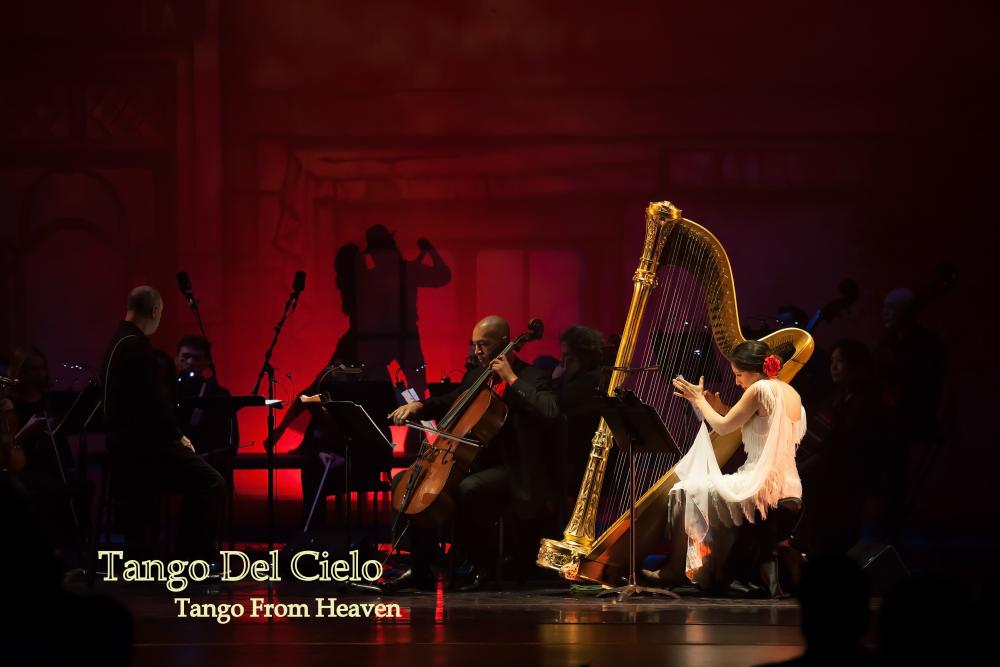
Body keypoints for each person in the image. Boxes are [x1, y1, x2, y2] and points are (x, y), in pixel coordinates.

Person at [388, 316, 559, 589]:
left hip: (511, 466)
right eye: (474, 344)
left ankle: (480, 566)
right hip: (469, 461)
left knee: (471, 488)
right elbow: (449, 401)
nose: (476, 351)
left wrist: (511, 379)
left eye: (483, 344)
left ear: (504, 343)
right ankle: (420, 567)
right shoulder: (476, 376)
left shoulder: (531, 376)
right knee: (405, 482)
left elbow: (551, 410)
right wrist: (419, 406)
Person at [643, 340, 806, 592]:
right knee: (699, 490)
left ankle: (676, 569)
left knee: (683, 491)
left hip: (761, 484)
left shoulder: (759, 388)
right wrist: (720, 408)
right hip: (790, 486)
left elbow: (723, 427)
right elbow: (755, 423)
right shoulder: (789, 392)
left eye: (739, 375)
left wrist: (699, 400)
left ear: (755, 371)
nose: (737, 382)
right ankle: (710, 568)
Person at [99, 286, 225, 562]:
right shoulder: (137, 347)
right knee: (211, 481)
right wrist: (179, 436)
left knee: (201, 480)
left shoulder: (118, 342)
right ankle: (191, 560)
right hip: (145, 451)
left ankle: (184, 556)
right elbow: (153, 405)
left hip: (126, 449)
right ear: (155, 310)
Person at [551, 326, 605, 508]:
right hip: (576, 458)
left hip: (580, 461)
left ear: (583, 356)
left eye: (568, 356)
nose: (563, 362)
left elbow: (556, 406)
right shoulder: (585, 377)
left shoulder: (591, 380)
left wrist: (555, 381)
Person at [174, 335, 239, 482]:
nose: (190, 362)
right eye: (186, 357)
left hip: (206, 465)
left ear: (207, 362)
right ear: (176, 359)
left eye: (196, 358)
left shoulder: (219, 395)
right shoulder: (166, 391)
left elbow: (229, 440)